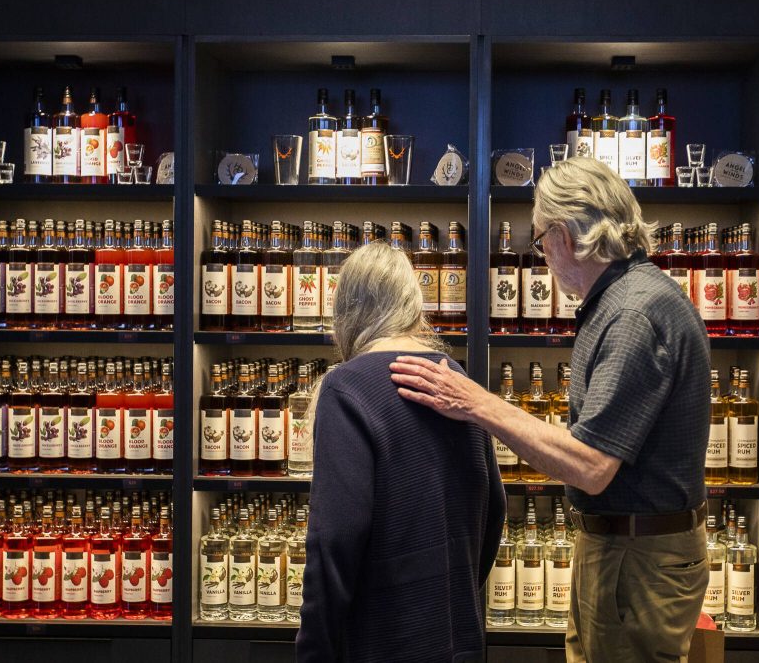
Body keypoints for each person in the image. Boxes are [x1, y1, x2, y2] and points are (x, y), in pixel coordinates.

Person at [390, 157, 711, 663]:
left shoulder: (632, 314)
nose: (541, 258)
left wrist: (476, 403)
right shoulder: (625, 298)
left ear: (564, 235)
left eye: (539, 242)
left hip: (637, 559)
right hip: (621, 546)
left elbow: (590, 465)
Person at [296, 241, 506, 663]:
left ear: (346, 310)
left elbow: (334, 539)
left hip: (382, 638)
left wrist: (315, 649)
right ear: (414, 303)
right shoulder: (455, 378)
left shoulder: (348, 386)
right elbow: (494, 511)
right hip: (458, 633)